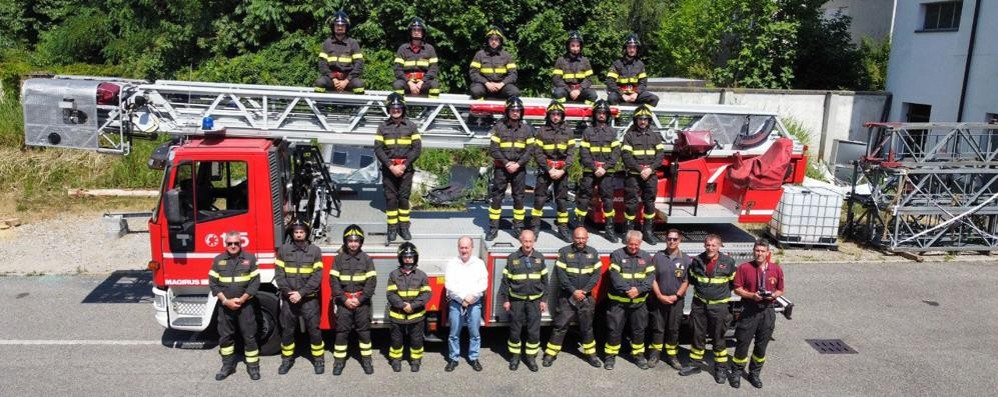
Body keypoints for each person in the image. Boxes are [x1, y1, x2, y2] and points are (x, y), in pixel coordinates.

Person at [543, 227, 603, 368]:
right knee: (560, 326)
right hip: (567, 298)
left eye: (583, 238)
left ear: (587, 238)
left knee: (587, 328)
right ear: (573, 238)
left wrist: (584, 291)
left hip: (586, 298)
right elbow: (561, 275)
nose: (580, 241)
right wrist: (573, 291)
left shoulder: (593, 253)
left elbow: (596, 275)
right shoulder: (564, 252)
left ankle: (591, 355)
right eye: (578, 238)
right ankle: (550, 354)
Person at [681, 234, 737, 384]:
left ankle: (720, 369)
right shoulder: (697, 261)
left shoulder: (728, 262)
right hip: (699, 305)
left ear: (719, 246)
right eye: (708, 245)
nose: (710, 248)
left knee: (718, 338)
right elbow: (692, 280)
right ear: (704, 245)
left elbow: (733, 283)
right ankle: (695, 365)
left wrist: (717, 295)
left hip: (719, 307)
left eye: (714, 245)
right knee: (697, 335)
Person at [730, 239, 785, 389]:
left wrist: (773, 295)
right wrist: (751, 295)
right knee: (742, 343)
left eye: (762, 251)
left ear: (768, 253)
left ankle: (754, 374)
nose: (759, 253)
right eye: (757, 250)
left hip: (767, 311)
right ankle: (736, 373)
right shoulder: (744, 268)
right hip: (749, 309)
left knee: (761, 346)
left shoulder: (776, 269)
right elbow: (737, 289)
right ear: (753, 251)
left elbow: (780, 289)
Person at [209, 231, 261, 381]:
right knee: (225, 337)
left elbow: (255, 282)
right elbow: (213, 283)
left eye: (236, 243)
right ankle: (227, 366)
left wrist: (242, 299)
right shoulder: (218, 260)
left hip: (245, 306)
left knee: (249, 336)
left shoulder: (250, 259)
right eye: (229, 243)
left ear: (241, 243)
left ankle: (253, 367)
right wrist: (226, 301)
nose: (233, 246)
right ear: (225, 244)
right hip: (225, 306)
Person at [275, 221, 325, 375]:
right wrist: (289, 292)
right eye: (296, 232)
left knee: (314, 331)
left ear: (306, 233)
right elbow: (279, 274)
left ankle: (318, 360)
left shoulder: (315, 251)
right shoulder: (283, 250)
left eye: (301, 232)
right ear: (292, 234)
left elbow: (317, 277)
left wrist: (300, 293)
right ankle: (286, 360)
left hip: (309, 300)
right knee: (287, 331)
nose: (298, 234)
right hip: (289, 299)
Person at [486, 96, 536, 241]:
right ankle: (493, 228)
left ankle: (518, 227)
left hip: (519, 169)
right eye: (512, 110)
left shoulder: (527, 129)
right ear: (507, 111)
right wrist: (507, 163)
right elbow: (493, 149)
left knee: (519, 198)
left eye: (518, 110)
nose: (515, 113)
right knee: (497, 197)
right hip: (502, 168)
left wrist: (518, 164)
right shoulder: (498, 128)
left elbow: (530, 150)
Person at [374, 93, 422, 243]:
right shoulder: (382, 127)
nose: (396, 110)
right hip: (389, 170)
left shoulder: (411, 126)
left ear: (403, 108)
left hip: (405, 170)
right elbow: (378, 149)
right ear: (389, 109)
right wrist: (390, 166)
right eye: (393, 108)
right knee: (391, 200)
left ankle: (404, 228)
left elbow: (417, 149)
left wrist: (404, 165)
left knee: (403, 199)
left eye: (398, 107)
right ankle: (392, 229)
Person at [330, 224, 377, 375]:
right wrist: (344, 299)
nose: (353, 244)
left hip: (361, 304)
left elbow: (371, 283)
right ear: (345, 241)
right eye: (350, 240)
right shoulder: (338, 259)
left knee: (364, 332)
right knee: (342, 332)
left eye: (356, 241)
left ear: (361, 242)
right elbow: (333, 282)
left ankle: (367, 361)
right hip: (344, 303)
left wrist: (360, 299)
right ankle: (338, 362)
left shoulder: (367, 259)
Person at [603, 230, 654, 370]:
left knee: (639, 330)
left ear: (640, 243)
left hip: (638, 302)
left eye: (636, 245)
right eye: (631, 244)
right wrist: (628, 290)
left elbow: (650, 277)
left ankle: (638, 356)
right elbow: (614, 276)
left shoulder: (646, 257)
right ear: (626, 242)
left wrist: (639, 290)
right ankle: (610, 357)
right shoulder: (617, 255)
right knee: (614, 329)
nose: (633, 247)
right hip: (618, 303)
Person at [499, 229, 548, 372]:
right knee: (515, 330)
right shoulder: (512, 258)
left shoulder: (539, 258)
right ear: (520, 241)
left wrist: (544, 300)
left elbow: (546, 281)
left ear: (534, 241)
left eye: (530, 241)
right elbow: (505, 281)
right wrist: (506, 299)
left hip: (534, 302)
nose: (528, 244)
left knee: (534, 331)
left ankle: (531, 357)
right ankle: (515, 357)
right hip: (516, 301)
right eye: (525, 241)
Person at [575, 99, 620, 243]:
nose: (601, 115)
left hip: (606, 173)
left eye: (604, 113)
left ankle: (609, 229)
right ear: (594, 114)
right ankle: (579, 227)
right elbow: (584, 152)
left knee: (608, 200)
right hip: (590, 171)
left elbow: (616, 153)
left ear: (608, 115)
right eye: (599, 112)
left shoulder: (612, 132)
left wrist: (604, 168)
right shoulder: (588, 131)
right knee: (584, 198)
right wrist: (595, 168)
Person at [531, 101, 576, 242]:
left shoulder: (568, 132)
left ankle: (563, 229)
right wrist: (549, 169)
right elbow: (537, 153)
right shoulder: (541, 131)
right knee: (539, 199)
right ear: (548, 115)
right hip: (546, 170)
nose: (555, 117)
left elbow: (571, 154)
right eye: (553, 114)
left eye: (558, 114)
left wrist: (563, 170)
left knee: (562, 201)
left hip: (562, 171)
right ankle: (535, 228)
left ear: (562, 116)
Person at [647, 228, 690, 370]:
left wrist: (676, 296)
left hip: (676, 301)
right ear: (665, 240)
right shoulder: (658, 257)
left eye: (675, 239)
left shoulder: (686, 259)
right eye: (669, 239)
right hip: (659, 300)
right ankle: (655, 354)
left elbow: (686, 281)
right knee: (657, 328)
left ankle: (672, 356)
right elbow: (652, 278)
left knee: (673, 329)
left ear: (680, 240)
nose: (672, 241)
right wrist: (659, 295)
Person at [444, 236, 489, 372]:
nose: (464, 250)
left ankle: (474, 358)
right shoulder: (452, 263)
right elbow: (449, 284)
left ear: (472, 248)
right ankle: (453, 358)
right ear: (458, 248)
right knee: (454, 333)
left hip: (474, 303)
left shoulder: (479, 263)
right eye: (461, 247)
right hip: (456, 303)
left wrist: (470, 297)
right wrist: (463, 298)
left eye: (466, 247)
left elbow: (483, 283)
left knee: (474, 333)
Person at [386, 242, 432, 373]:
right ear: (400, 258)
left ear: (415, 258)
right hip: (397, 316)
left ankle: (416, 360)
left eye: (411, 256)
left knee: (416, 340)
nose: (408, 259)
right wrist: (402, 305)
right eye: (405, 256)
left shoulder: (421, 275)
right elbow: (390, 294)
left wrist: (413, 306)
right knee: (396, 340)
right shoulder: (393, 275)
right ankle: (396, 359)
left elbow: (427, 294)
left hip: (416, 316)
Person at [621, 104, 663, 245]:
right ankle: (628, 231)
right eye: (640, 119)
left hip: (650, 175)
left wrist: (650, 169)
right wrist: (640, 170)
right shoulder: (629, 136)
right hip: (633, 176)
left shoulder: (655, 137)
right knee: (631, 204)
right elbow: (626, 156)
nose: (643, 121)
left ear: (649, 120)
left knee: (649, 203)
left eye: (645, 119)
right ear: (635, 120)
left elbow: (660, 156)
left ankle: (648, 232)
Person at [314, 11, 365, 94]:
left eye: (342, 25)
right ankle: (321, 107)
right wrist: (333, 79)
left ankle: (355, 107)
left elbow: (358, 64)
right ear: (333, 27)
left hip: (349, 79)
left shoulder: (353, 43)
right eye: (337, 25)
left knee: (359, 85)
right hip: (331, 79)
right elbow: (322, 64)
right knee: (319, 83)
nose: (340, 27)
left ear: (346, 27)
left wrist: (346, 81)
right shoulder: (327, 43)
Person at [606, 33, 658, 107]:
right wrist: (622, 94)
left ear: (637, 49)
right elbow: (610, 82)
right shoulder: (617, 64)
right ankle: (618, 118)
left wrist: (636, 93)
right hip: (620, 95)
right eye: (629, 47)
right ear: (626, 48)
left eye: (634, 47)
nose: (632, 49)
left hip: (635, 95)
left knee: (654, 99)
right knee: (611, 98)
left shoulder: (640, 64)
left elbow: (643, 83)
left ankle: (641, 116)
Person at [393, 17, 440, 98]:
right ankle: (402, 107)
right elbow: (397, 69)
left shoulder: (429, 49)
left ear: (423, 32)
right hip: (407, 83)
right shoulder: (403, 48)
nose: (416, 32)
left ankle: (432, 109)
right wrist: (410, 83)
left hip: (423, 83)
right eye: (414, 30)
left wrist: (421, 82)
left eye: (419, 30)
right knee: (397, 84)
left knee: (435, 84)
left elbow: (433, 70)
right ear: (410, 32)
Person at [469, 26, 520, 100]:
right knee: (476, 91)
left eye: (496, 39)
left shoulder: (507, 56)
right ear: (487, 41)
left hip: (501, 85)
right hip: (484, 85)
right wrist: (487, 83)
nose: (494, 42)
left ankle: (506, 109)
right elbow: (473, 73)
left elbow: (513, 75)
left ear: (500, 41)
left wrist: (501, 84)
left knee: (514, 92)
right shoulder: (479, 55)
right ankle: (480, 107)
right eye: (491, 39)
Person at [552, 30, 597, 105]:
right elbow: (556, 79)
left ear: (581, 47)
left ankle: (585, 112)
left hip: (580, 91)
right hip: (565, 91)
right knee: (557, 93)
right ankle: (563, 110)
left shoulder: (585, 61)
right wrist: (570, 91)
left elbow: (589, 79)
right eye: (573, 46)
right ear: (568, 46)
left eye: (578, 46)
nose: (575, 49)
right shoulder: (561, 60)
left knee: (593, 95)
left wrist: (579, 90)